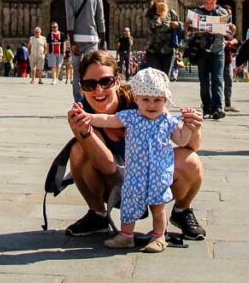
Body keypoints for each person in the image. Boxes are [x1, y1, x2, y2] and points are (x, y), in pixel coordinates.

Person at [65, 49, 206, 241]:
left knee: (192, 161)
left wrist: (193, 127)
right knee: (78, 150)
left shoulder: (144, 98)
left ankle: (182, 210)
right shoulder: (83, 114)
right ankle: (97, 214)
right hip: (115, 179)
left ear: (118, 80)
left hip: (154, 175)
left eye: (105, 82)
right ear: (81, 86)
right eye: (90, 84)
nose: (98, 90)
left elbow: (189, 144)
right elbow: (107, 166)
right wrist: (86, 131)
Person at [186, 0, 229, 120]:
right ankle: (206, 107)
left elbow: (228, 32)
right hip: (202, 51)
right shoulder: (197, 12)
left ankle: (218, 108)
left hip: (217, 50)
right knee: (204, 82)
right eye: (206, 2)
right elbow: (189, 33)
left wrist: (229, 29)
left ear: (215, 0)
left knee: (218, 80)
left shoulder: (222, 12)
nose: (208, 5)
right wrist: (189, 26)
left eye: (211, 3)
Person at [65, 0, 106, 103]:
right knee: (91, 70)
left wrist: (72, 42)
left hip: (76, 39)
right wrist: (102, 40)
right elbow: (100, 19)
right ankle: (90, 100)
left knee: (77, 72)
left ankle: (78, 101)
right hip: (92, 39)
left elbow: (69, 19)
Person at [145, 0, 180, 75]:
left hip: (168, 51)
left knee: (165, 79)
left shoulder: (172, 13)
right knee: (155, 79)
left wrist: (177, 25)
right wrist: (158, 15)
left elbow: (178, 31)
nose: (160, 0)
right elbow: (151, 28)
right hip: (153, 51)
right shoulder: (150, 13)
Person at [223, 23, 239, 112]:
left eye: (234, 30)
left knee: (229, 82)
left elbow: (235, 41)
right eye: (230, 29)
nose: (232, 30)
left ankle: (228, 104)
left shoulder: (230, 38)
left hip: (227, 62)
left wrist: (230, 41)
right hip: (217, 62)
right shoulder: (222, 34)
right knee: (215, 83)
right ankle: (210, 103)